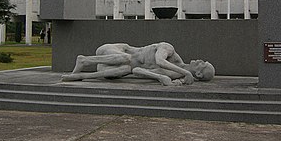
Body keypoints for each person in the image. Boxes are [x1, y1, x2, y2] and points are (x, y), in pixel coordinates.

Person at [61, 42, 215, 86]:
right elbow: (159, 60)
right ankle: (84, 60)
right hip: (111, 51)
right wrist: (187, 73)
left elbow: (138, 71)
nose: (200, 60)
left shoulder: (175, 74)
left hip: (109, 67)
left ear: (199, 74)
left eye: (202, 64)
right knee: (127, 59)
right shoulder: (170, 50)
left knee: (126, 69)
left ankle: (81, 75)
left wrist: (159, 78)